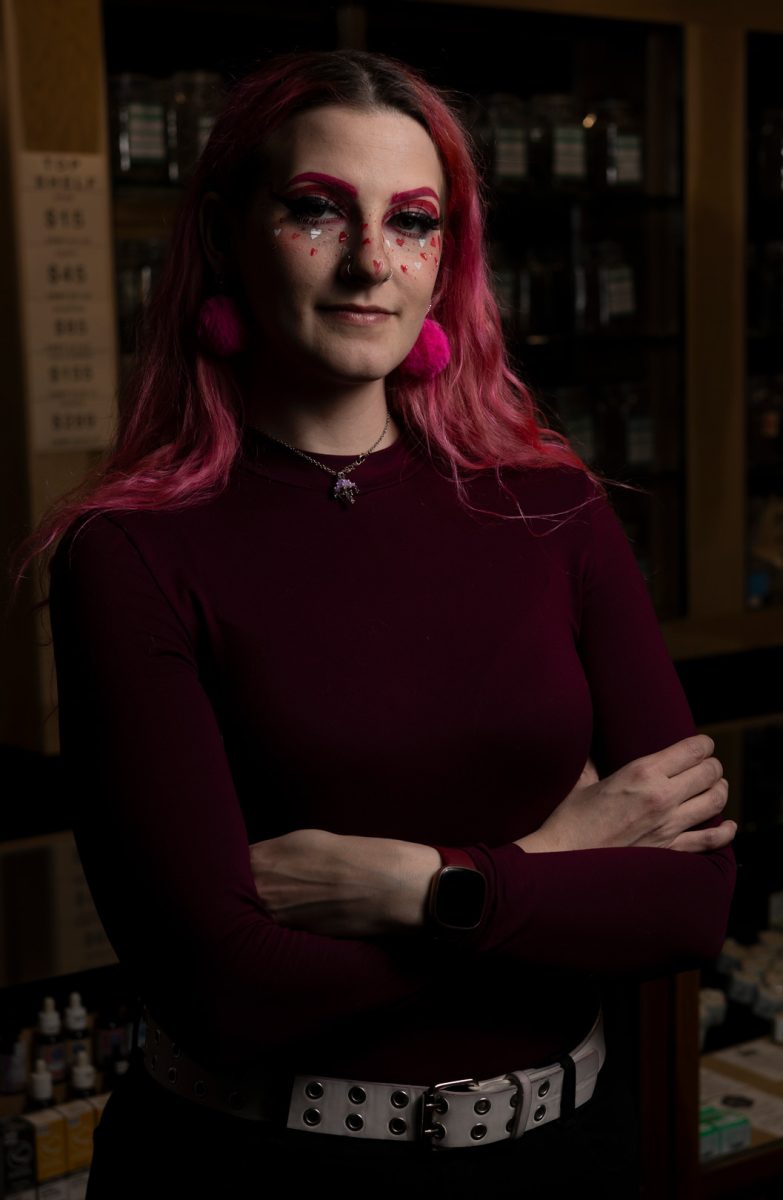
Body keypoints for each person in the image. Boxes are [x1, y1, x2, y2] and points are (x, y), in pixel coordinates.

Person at [12, 49, 736, 1197]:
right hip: (264, 1174)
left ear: (447, 259)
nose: (369, 263)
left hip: (568, 1160)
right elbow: (229, 991)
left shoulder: (549, 503)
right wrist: (552, 863)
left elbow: (689, 902)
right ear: (222, 232)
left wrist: (421, 889)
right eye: (315, 210)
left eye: (412, 222)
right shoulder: (130, 552)